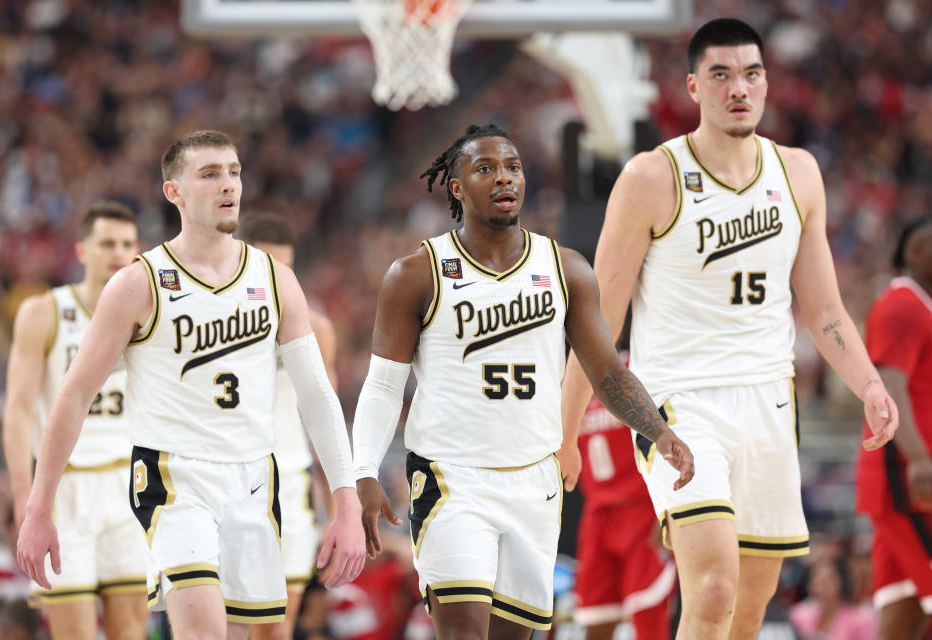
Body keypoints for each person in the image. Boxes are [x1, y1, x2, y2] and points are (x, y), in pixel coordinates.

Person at [558, 18, 898, 640]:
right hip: (678, 403)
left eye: (751, 73)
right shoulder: (650, 177)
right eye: (720, 75)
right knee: (711, 587)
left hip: (769, 401)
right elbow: (599, 314)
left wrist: (870, 385)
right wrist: (563, 429)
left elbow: (823, 310)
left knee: (747, 605)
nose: (738, 87)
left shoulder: (797, 174)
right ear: (693, 86)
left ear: (767, 83)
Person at [15, 130, 366, 640]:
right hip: (174, 479)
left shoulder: (274, 278)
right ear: (173, 191)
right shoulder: (140, 282)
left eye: (235, 171)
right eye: (210, 174)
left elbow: (317, 397)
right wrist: (37, 507)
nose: (229, 185)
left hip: (254, 477)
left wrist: (346, 503)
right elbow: (72, 396)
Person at [352, 123, 694, 640]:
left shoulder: (567, 269)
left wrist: (657, 429)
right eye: (485, 168)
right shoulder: (416, 273)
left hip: (535, 480)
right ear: (457, 186)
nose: (503, 177)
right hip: (452, 479)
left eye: (512, 166)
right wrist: (363, 472)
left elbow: (606, 371)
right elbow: (382, 387)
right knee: (464, 630)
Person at [1, 200, 149, 640]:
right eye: (106, 243)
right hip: (64, 491)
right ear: (82, 250)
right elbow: (18, 410)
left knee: (130, 632)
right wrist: (23, 496)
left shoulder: (148, 315)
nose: (118, 252)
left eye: (127, 244)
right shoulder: (44, 312)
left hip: (130, 490)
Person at [240, 214, 337, 640]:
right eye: (267, 265)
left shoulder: (316, 327)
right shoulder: (214, 323)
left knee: (276, 631)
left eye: (286, 268)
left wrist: (338, 509)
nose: (278, 278)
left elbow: (326, 422)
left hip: (290, 482)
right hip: (229, 478)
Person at [856, 214, 932, 640]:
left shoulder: (918, 307)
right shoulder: (903, 304)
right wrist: (919, 459)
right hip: (906, 479)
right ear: (918, 251)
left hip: (907, 482)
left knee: (901, 622)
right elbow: (887, 385)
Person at [573, 348, 676, 640]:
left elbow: (670, 435)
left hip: (642, 509)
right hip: (597, 511)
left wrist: (667, 508)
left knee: (647, 616)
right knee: (595, 619)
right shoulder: (572, 379)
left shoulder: (636, 366)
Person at [788, 557, 877, 640]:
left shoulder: (860, 621)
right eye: (817, 578)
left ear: (842, 582)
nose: (821, 585)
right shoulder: (798, 614)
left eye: (828, 579)